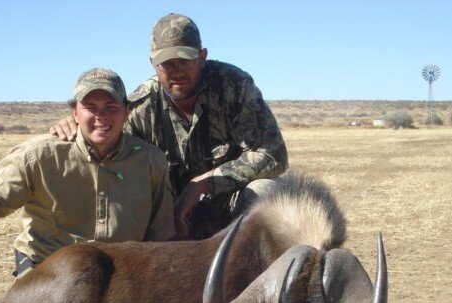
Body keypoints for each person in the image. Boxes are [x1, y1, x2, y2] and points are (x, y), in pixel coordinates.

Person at [51, 13, 288, 239]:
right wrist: (78, 125)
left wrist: (203, 184)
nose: (177, 72)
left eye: (184, 61)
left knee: (266, 190)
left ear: (202, 57)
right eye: (167, 64)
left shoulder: (234, 86)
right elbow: (108, 145)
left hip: (231, 215)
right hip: (168, 219)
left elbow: (274, 154)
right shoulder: (140, 106)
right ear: (153, 64)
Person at [0, 68, 175, 278]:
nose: (101, 116)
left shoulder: (150, 161)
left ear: (127, 111)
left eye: (111, 107)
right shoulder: (38, 155)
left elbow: (159, 235)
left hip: (121, 277)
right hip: (48, 275)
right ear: (75, 112)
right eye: (90, 107)